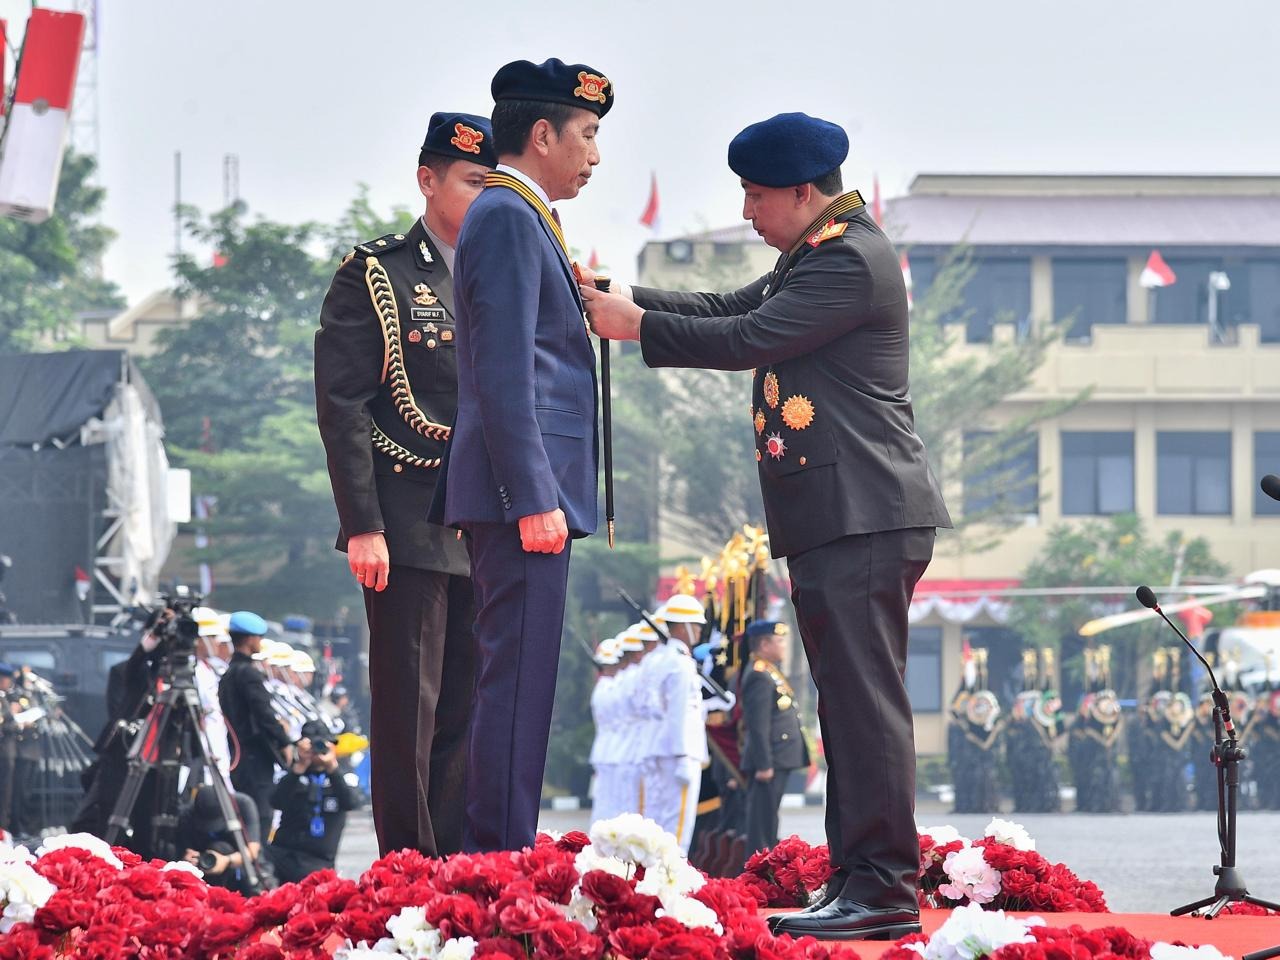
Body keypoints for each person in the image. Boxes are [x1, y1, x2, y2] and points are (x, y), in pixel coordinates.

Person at [582, 111, 950, 940]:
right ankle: (858, 878)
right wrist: (621, 297)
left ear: (800, 191)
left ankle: (886, 889)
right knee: (846, 708)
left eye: (754, 194)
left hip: (862, 512)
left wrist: (633, 326)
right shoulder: (812, 253)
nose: (746, 210)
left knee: (865, 708)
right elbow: (725, 302)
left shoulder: (849, 259)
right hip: (836, 514)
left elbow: (750, 335)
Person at [432, 57, 613, 853]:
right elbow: (503, 373)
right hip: (522, 497)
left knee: (525, 682)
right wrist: (534, 494)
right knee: (515, 682)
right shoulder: (508, 215)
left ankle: (502, 849)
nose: (594, 155)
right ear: (543, 135)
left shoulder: (522, 214)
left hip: (525, 491)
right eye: (587, 134)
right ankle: (497, 862)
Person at [316, 111, 498, 857]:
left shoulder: (503, 272)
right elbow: (344, 404)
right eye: (472, 182)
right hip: (406, 522)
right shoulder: (378, 273)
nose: (486, 199)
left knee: (467, 709)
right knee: (407, 711)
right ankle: (406, 870)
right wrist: (363, 525)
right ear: (429, 181)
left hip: (484, 521)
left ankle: (455, 868)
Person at [644, 594, 710, 852]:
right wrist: (683, 754)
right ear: (683, 626)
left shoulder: (663, 660)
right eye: (698, 626)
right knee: (677, 828)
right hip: (679, 752)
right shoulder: (680, 664)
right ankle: (672, 882)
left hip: (665, 748)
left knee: (663, 822)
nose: (700, 631)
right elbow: (678, 712)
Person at [739, 621, 808, 858]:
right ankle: (757, 877)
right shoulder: (759, 674)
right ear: (764, 644)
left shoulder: (770, 671)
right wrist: (764, 764)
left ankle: (766, 874)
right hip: (770, 759)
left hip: (779, 757)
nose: (783, 646)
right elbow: (758, 725)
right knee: (761, 823)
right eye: (779, 641)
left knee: (769, 819)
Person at [218, 611, 292, 825]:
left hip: (238, 753)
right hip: (255, 756)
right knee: (261, 815)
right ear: (250, 639)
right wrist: (284, 742)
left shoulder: (229, 673)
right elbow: (264, 714)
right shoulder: (248, 673)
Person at [266, 719, 359, 883]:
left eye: (322, 745)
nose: (317, 751)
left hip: (319, 861)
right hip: (282, 854)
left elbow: (351, 802)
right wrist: (299, 767)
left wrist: (332, 767)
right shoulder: (292, 774)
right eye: (312, 747)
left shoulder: (342, 777)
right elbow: (276, 801)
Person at [177, 784, 264, 895]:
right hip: (202, 862)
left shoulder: (243, 805)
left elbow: (252, 851)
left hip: (238, 858)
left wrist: (226, 860)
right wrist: (188, 858)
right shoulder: (186, 816)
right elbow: (184, 850)